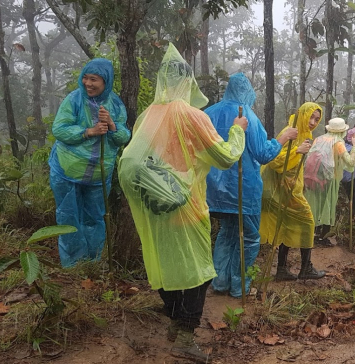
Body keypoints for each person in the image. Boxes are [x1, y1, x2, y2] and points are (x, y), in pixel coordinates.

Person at [118, 44, 246, 363]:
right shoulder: (191, 115)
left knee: (167, 261)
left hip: (154, 204)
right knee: (199, 271)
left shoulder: (147, 116)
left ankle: (176, 322)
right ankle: (185, 337)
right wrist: (237, 131)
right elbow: (225, 157)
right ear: (188, 83)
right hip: (185, 205)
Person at [205, 73, 299, 298]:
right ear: (247, 91)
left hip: (214, 191)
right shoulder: (247, 116)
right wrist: (283, 137)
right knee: (248, 237)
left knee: (227, 233)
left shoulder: (208, 114)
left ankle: (220, 282)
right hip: (242, 189)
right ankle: (240, 286)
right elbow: (263, 153)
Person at [49, 58, 130, 268]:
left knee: (94, 218)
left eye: (94, 79)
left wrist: (112, 124)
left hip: (97, 175)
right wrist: (88, 132)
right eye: (85, 78)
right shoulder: (74, 100)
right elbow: (59, 129)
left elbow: (123, 137)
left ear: (106, 81)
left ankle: (92, 263)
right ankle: (73, 265)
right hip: (67, 171)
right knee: (68, 217)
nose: (88, 83)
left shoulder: (115, 104)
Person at [258, 102, 322, 281]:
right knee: (308, 223)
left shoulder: (305, 133)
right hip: (283, 190)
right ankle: (305, 268)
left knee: (286, 225)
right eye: (311, 117)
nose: (313, 122)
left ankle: (282, 269)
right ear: (303, 114)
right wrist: (297, 151)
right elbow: (274, 160)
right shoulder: (291, 131)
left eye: (317, 119)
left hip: (292, 188)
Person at [303, 118, 355, 247]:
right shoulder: (338, 143)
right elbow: (350, 162)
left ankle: (312, 233)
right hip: (330, 178)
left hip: (315, 178)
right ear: (342, 131)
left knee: (315, 205)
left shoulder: (319, 139)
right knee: (328, 206)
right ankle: (323, 237)